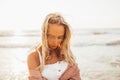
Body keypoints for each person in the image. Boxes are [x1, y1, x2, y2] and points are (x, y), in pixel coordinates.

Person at [27, 12, 81, 80]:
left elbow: (76, 77)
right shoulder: (34, 56)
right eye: (51, 37)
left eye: (59, 37)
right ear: (44, 34)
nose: (55, 42)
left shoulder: (66, 53)